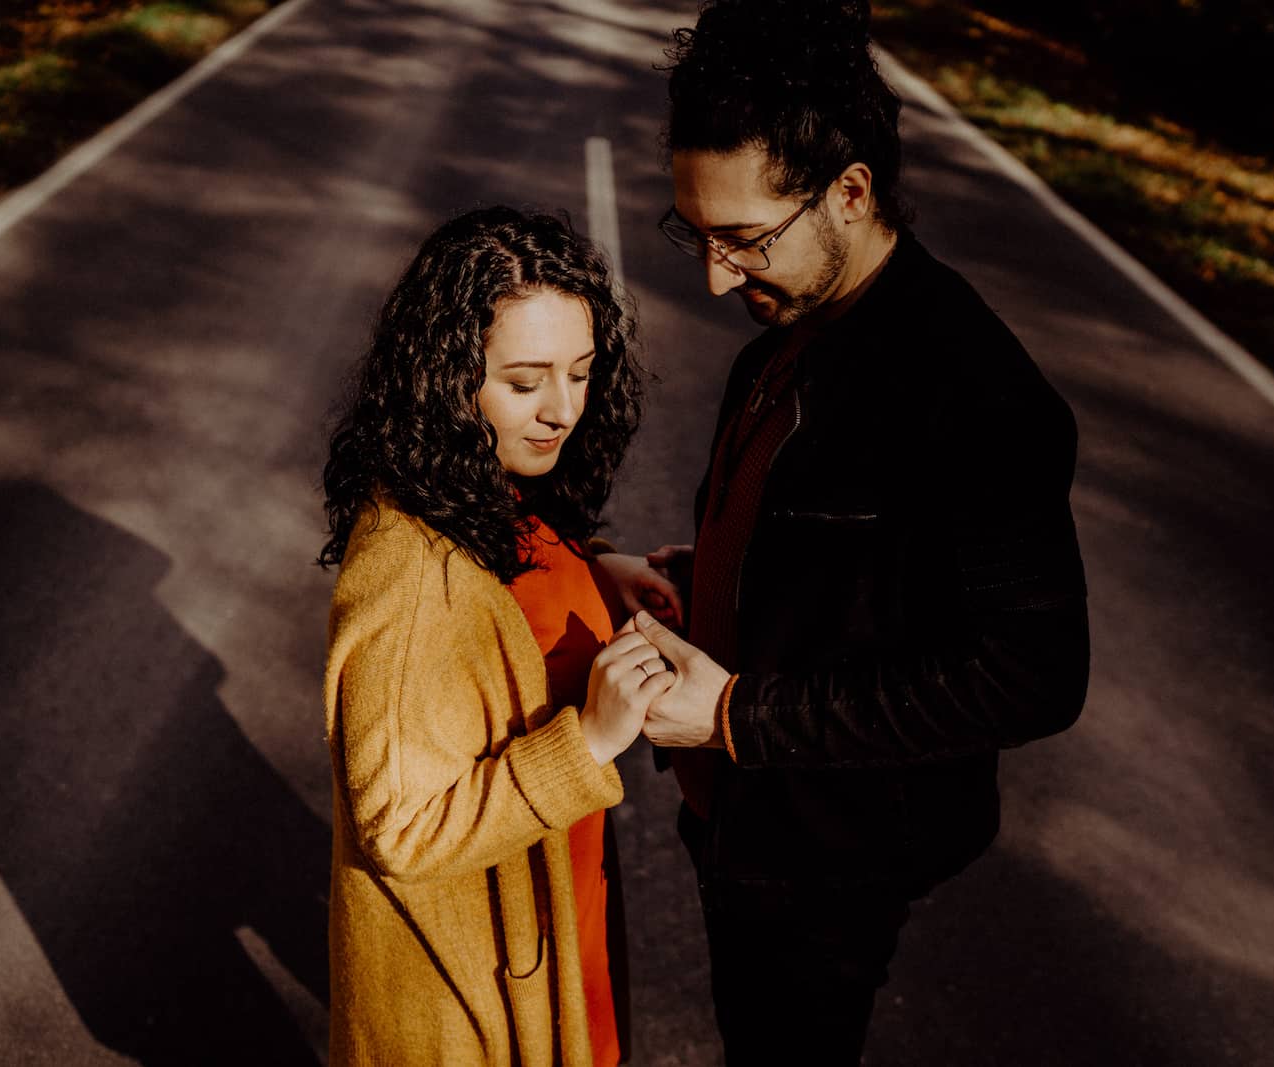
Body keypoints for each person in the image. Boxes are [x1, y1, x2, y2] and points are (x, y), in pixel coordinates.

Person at [597, 1, 1092, 1062]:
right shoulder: (786, 334)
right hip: (740, 818)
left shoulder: (972, 393)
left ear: (852, 190)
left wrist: (736, 714)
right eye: (695, 232)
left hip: (822, 865)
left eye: (743, 238)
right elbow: (840, 559)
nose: (715, 276)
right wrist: (707, 576)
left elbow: (1032, 673)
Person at [317, 207, 671, 1067]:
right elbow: (399, 827)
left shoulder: (478, 484)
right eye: (525, 382)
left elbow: (505, 576)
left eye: (582, 373)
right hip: (484, 998)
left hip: (552, 920)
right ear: (447, 376)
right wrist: (587, 739)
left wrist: (591, 565)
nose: (562, 410)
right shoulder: (406, 575)